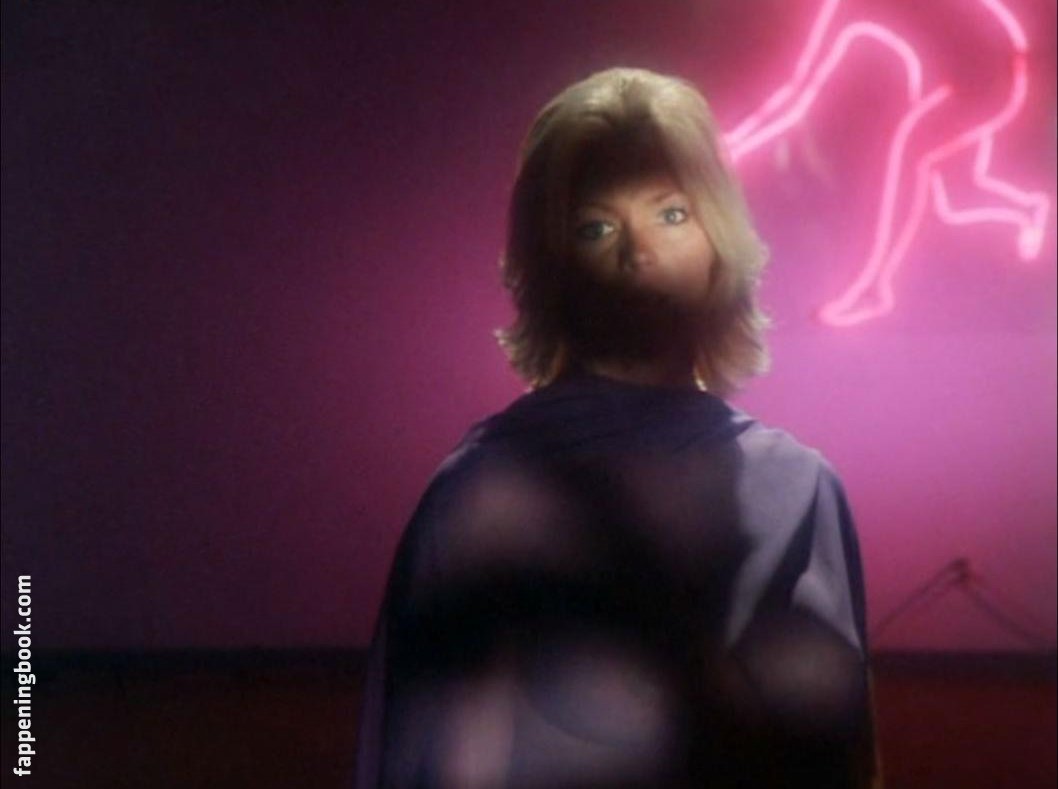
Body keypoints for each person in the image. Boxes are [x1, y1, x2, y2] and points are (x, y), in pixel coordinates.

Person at [353, 67, 877, 788]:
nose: (639, 255)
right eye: (596, 227)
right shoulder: (481, 494)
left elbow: (840, 756)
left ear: (720, 237)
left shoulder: (799, 489)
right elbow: (436, 760)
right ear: (551, 266)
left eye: (672, 214)